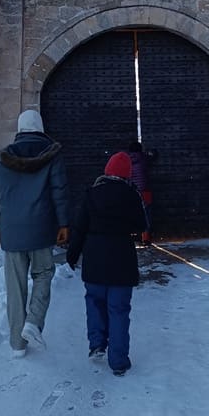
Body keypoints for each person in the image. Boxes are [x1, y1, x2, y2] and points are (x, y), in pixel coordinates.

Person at [0, 109, 70, 357]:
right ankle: (33, 322)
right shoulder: (52, 155)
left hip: (11, 232)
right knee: (43, 273)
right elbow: (60, 191)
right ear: (40, 127)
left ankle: (16, 344)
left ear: (20, 129)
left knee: (15, 286)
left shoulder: (4, 158)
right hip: (41, 229)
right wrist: (64, 223)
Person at [66, 151, 147, 376]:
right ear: (126, 174)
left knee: (95, 303)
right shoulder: (132, 195)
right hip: (122, 261)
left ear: (107, 170)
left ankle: (97, 344)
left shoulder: (92, 194)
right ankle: (119, 361)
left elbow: (80, 228)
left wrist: (72, 255)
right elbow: (141, 225)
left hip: (95, 260)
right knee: (119, 310)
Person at [127, 140, 157, 245]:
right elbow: (152, 156)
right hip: (145, 190)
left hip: (133, 191)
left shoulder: (128, 161)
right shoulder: (143, 158)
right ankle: (146, 238)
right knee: (146, 215)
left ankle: (133, 235)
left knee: (132, 213)